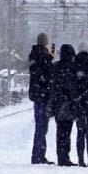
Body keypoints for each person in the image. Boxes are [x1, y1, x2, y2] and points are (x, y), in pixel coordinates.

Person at [48, 44, 78, 167]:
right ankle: (66, 157)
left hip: (57, 104)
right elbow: (74, 86)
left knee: (60, 131)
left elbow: (52, 86)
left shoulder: (55, 67)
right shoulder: (74, 67)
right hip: (69, 104)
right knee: (67, 131)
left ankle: (61, 157)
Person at [28, 33, 54, 165]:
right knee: (42, 127)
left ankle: (37, 155)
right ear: (45, 43)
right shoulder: (44, 57)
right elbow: (47, 74)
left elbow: (35, 72)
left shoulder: (33, 55)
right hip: (43, 95)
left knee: (40, 125)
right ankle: (39, 156)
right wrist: (49, 58)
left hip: (36, 95)